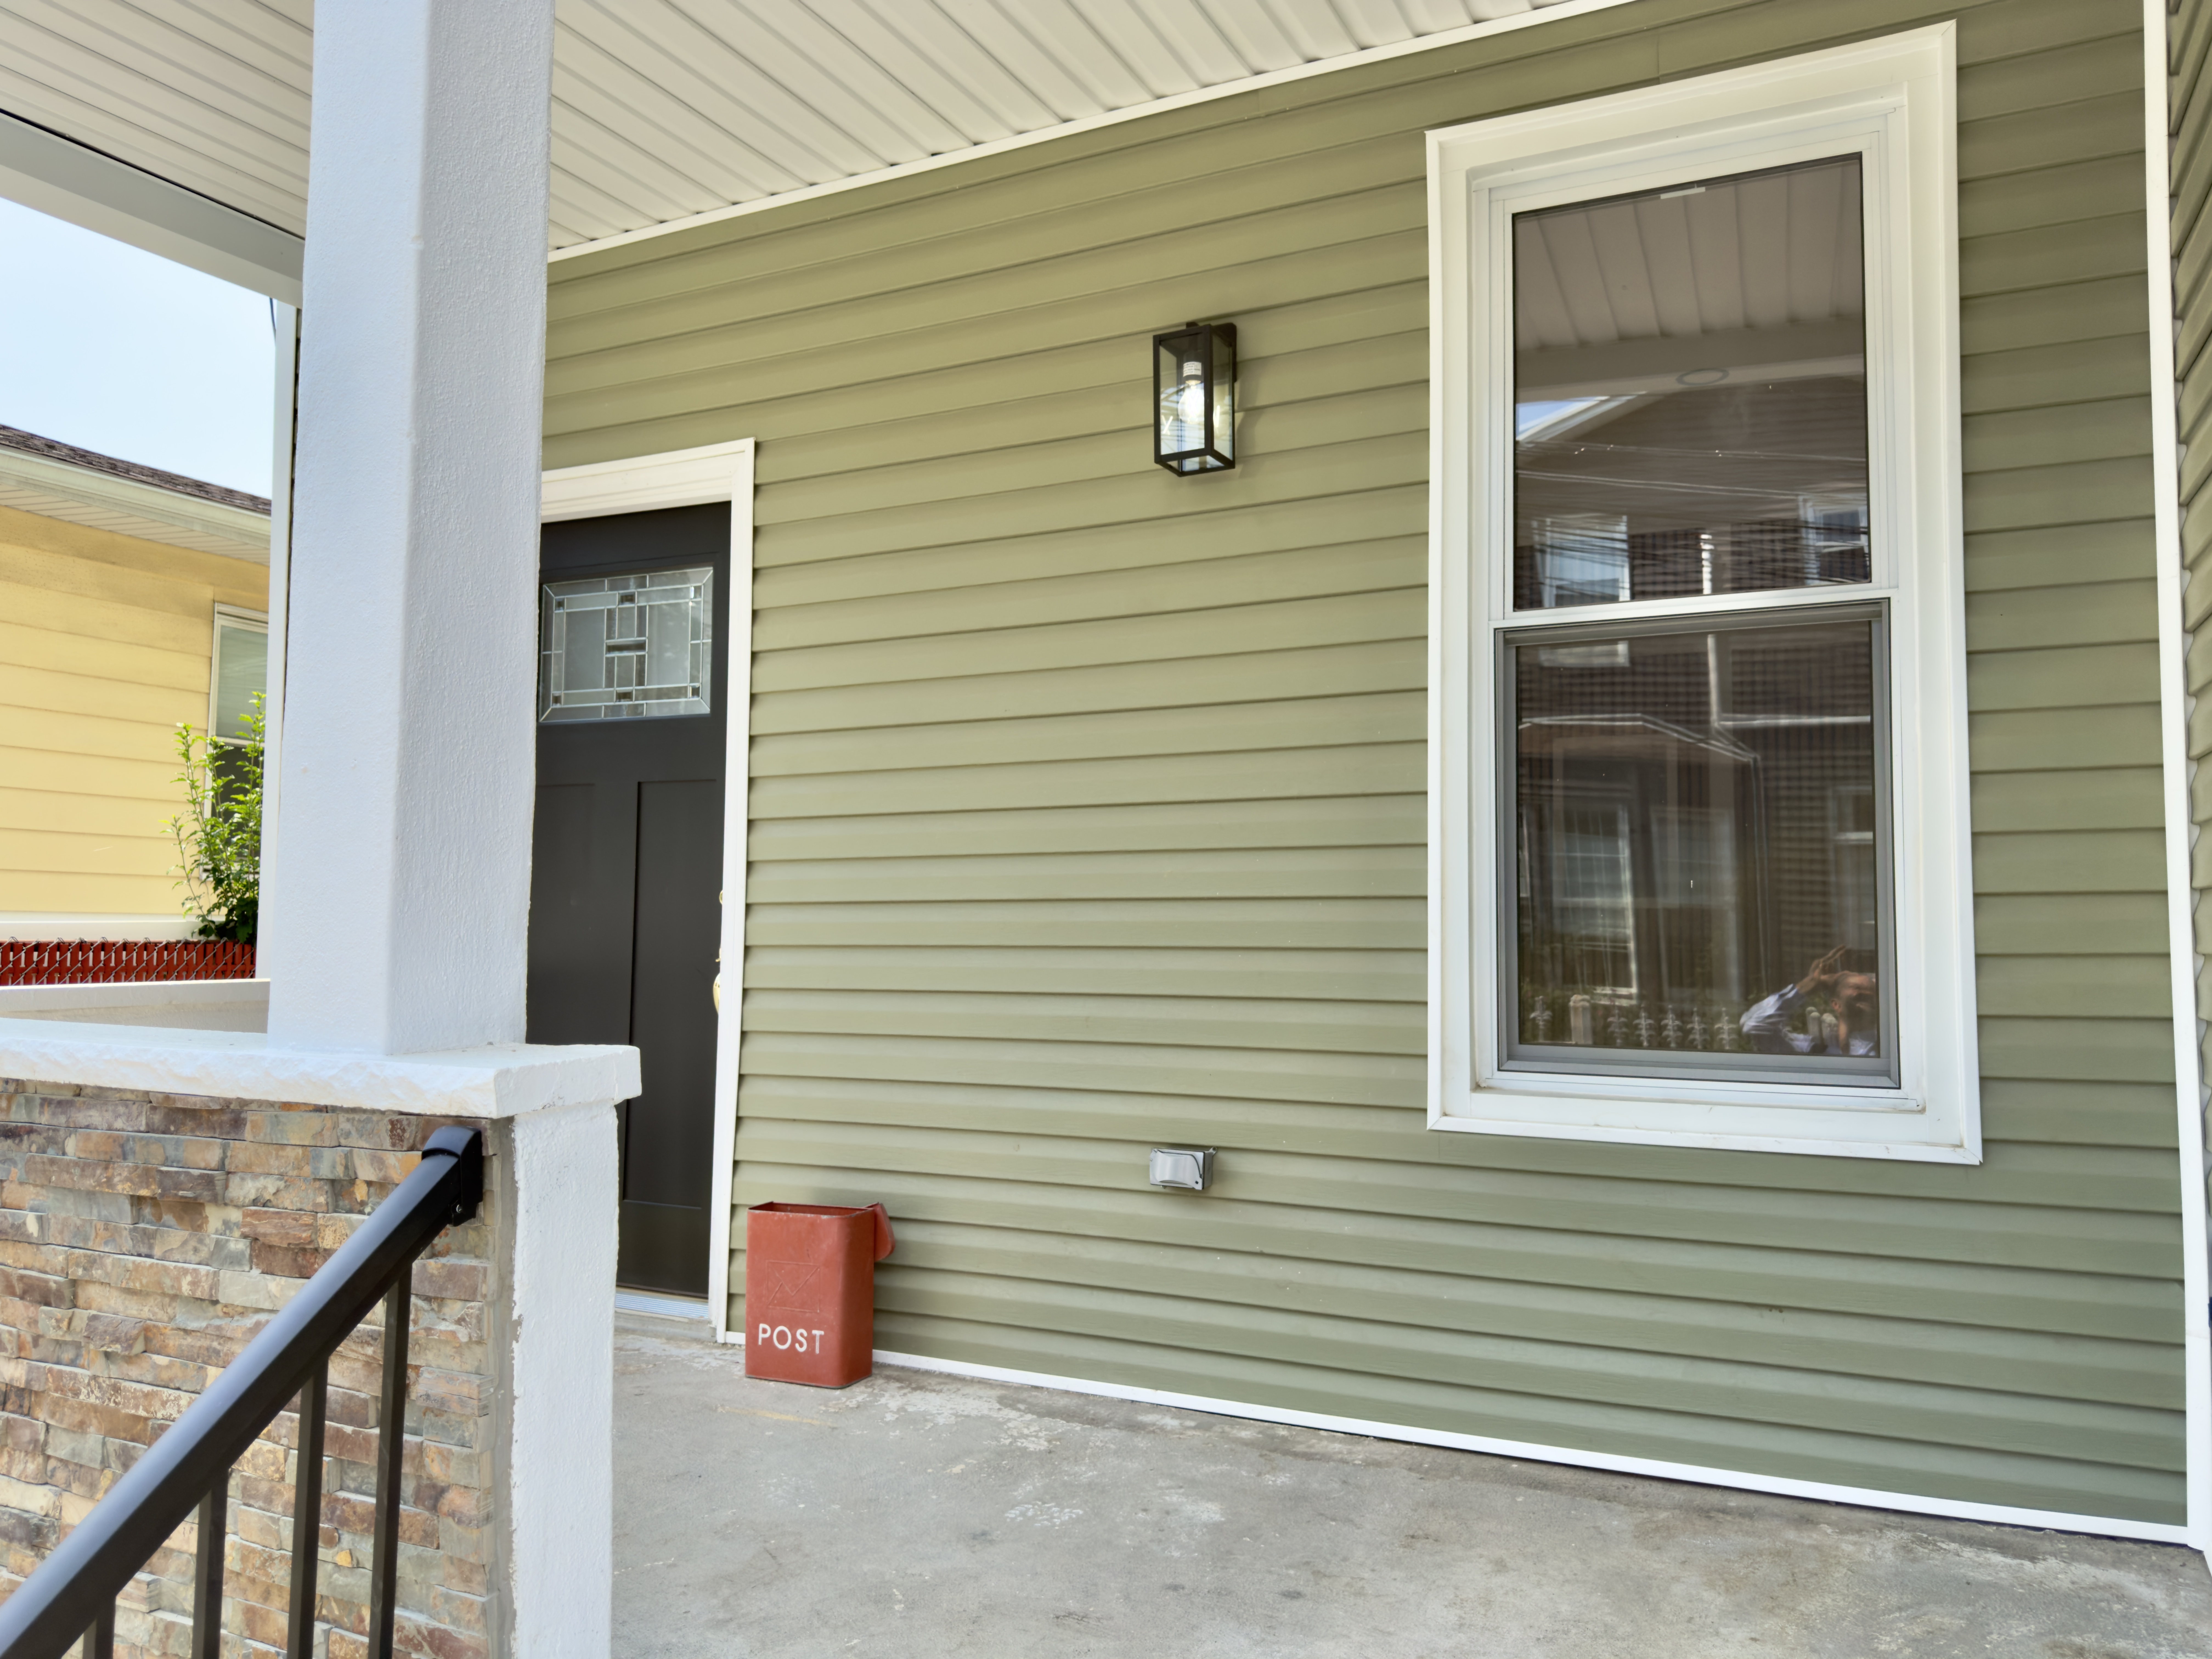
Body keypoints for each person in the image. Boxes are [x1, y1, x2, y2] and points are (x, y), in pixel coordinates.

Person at [1740, 945, 1878, 1056]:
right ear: (1836, 1005)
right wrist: (1810, 985)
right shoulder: (1815, 1049)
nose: (1863, 992)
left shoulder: (1885, 1049)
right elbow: (1754, 1027)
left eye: (1870, 990)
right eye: (1855, 987)